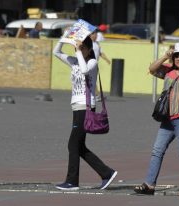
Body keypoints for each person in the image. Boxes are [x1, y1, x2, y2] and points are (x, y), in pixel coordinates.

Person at [134, 42, 179, 196]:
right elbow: (152, 69)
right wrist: (166, 55)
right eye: (176, 55)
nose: (178, 58)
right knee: (157, 150)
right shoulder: (169, 72)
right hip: (167, 119)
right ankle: (149, 185)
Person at [53, 34, 117, 191]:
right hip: (76, 106)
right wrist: (66, 37)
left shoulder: (92, 62)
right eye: (79, 48)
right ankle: (107, 173)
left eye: (83, 48)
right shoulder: (75, 60)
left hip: (86, 106)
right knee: (79, 146)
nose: (79, 50)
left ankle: (72, 181)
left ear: (89, 49)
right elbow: (56, 52)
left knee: (73, 144)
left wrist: (78, 52)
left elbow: (83, 70)